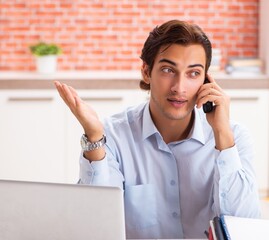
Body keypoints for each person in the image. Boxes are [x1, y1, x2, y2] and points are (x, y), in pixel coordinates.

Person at [54, 20, 260, 239]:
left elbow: (246, 226)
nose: (179, 87)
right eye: (168, 70)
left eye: (193, 73)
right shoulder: (113, 137)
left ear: (206, 80)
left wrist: (222, 136)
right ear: (146, 71)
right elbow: (94, 224)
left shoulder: (234, 137)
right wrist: (94, 137)